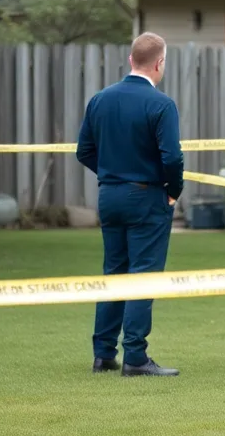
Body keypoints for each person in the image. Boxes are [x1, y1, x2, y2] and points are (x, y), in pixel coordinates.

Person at [76, 32, 184, 377]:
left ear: (129, 60)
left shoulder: (99, 100)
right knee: (143, 276)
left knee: (114, 273)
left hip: (109, 195)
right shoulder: (161, 104)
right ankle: (135, 357)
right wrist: (173, 190)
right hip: (146, 196)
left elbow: (84, 151)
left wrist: (113, 174)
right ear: (159, 63)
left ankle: (104, 353)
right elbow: (172, 156)